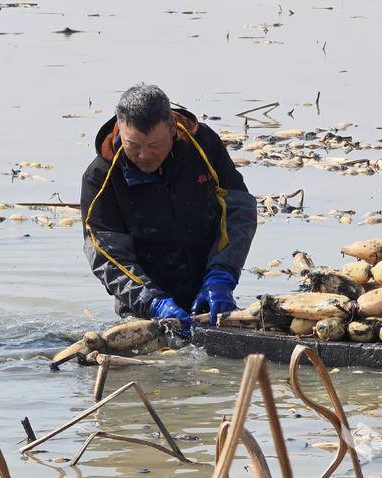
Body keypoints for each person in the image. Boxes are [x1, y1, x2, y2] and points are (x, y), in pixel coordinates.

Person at [81, 84, 257, 336]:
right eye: (133, 145)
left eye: (154, 145)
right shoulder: (100, 177)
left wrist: (223, 274)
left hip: (208, 290)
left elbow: (239, 211)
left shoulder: (202, 146)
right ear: (120, 129)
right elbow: (106, 254)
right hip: (142, 304)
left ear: (173, 128)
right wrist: (152, 301)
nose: (144, 155)